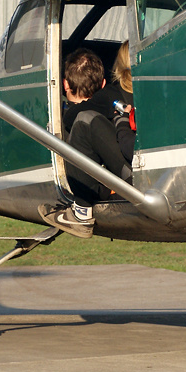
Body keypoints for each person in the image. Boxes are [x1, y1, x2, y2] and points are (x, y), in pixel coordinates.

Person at [39, 47, 132, 238]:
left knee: (84, 120)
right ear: (103, 82)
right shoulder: (125, 95)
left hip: (127, 181)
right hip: (126, 176)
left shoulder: (107, 101)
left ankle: (81, 212)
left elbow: (72, 117)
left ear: (64, 84)